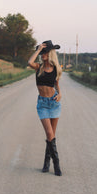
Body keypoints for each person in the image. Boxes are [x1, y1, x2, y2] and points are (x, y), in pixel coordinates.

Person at [28, 40, 62, 176]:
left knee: (51, 136)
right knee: (49, 134)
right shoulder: (38, 67)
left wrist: (60, 94)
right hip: (42, 104)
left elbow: (57, 85)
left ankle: (46, 163)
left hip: (54, 103)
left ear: (51, 53)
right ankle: (57, 164)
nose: (43, 55)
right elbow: (29, 62)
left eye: (45, 52)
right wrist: (38, 50)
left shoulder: (57, 69)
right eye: (42, 53)